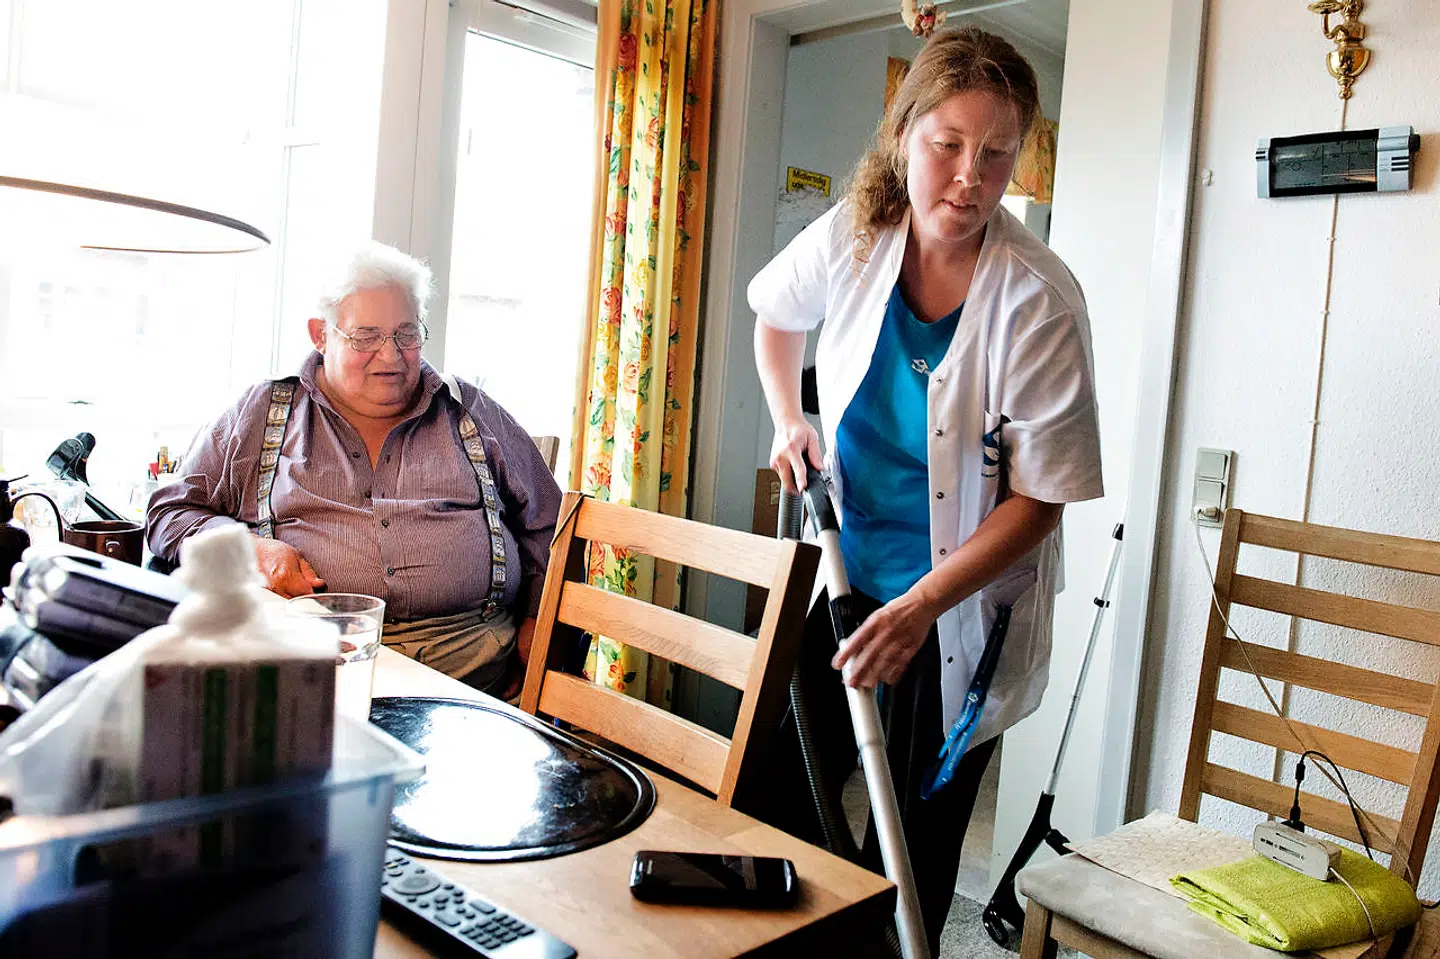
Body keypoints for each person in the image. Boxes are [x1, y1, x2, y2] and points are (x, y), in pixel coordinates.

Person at [748, 28, 1103, 954]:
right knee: (779, 806)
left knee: (909, 856)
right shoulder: (857, 233)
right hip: (845, 576)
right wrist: (792, 418)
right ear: (902, 135)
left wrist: (921, 606)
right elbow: (774, 320)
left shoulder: (1039, 300)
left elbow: (1041, 497)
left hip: (954, 612)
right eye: (946, 144)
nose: (969, 178)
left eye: (996, 152)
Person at [147, 242, 561, 697]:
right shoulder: (264, 412)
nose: (391, 356)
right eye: (365, 337)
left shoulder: (469, 411)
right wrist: (251, 551)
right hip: (307, 684)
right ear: (320, 334)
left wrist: (537, 619)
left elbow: (551, 524)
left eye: (406, 334)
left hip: (471, 684)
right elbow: (171, 513)